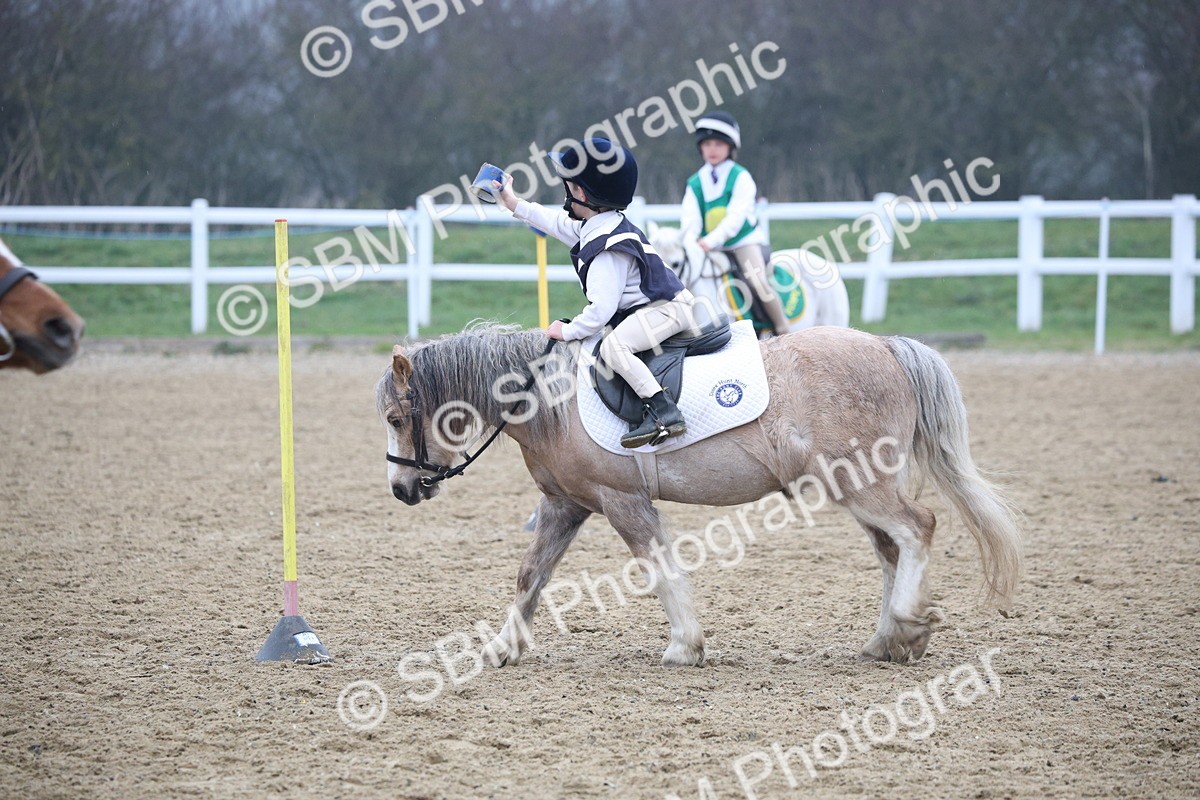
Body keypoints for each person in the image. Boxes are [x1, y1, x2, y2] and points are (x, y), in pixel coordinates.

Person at [495, 137, 698, 448]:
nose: (566, 191)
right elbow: (553, 222)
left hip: (667, 310)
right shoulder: (597, 224)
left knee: (614, 349)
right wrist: (513, 203)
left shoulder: (607, 249)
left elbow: (601, 311)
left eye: (568, 185)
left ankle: (663, 410)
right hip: (655, 307)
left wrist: (568, 330)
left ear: (579, 192)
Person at [680, 111, 791, 336]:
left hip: (742, 243)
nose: (712, 149)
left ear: (730, 147)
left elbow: (735, 219)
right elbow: (690, 218)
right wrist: (692, 241)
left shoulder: (741, 177)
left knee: (757, 281)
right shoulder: (695, 183)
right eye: (707, 143)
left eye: (719, 144)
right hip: (707, 247)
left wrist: (710, 241)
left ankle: (782, 329)